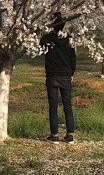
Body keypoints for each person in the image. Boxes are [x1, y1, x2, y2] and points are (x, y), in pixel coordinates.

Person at [40, 12, 76, 144]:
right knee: (68, 105)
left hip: (52, 75)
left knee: (53, 106)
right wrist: (71, 73)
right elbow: (73, 58)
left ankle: (54, 135)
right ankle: (70, 135)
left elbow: (40, 49)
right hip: (66, 74)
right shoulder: (69, 39)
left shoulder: (46, 39)